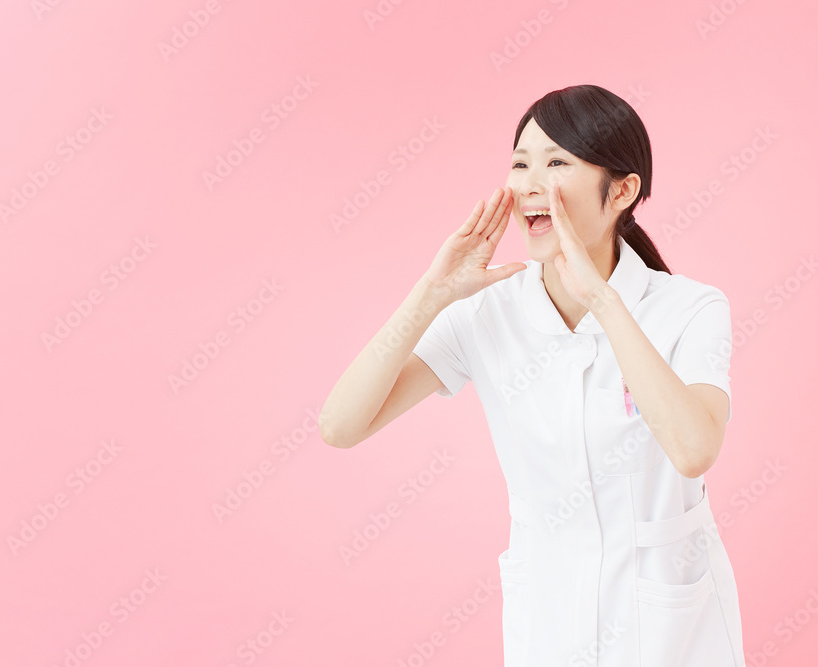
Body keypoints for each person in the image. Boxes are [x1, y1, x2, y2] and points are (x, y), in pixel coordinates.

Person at [319, 84, 745, 666]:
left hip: (670, 626)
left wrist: (601, 301)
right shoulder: (488, 309)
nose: (530, 184)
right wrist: (431, 293)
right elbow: (340, 425)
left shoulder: (690, 308)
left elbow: (694, 451)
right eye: (521, 164)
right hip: (549, 616)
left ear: (622, 190)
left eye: (557, 163)